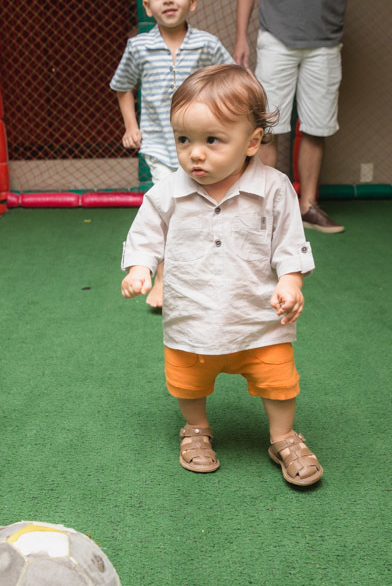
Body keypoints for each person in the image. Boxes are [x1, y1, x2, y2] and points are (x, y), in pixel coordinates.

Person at [121, 65, 322, 487]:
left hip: (258, 318)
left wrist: (291, 281)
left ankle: (283, 436)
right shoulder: (166, 193)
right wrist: (141, 267)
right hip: (192, 316)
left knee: (279, 381)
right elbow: (145, 234)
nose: (195, 153)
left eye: (212, 140)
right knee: (187, 380)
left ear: (252, 142)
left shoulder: (274, 187)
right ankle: (195, 428)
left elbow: (290, 241)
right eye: (184, 140)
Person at [111, 0, 233, 308]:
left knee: (204, 209)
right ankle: (161, 277)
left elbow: (229, 81)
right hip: (161, 147)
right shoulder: (139, 46)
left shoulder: (207, 44)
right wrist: (131, 127)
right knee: (168, 209)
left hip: (201, 148)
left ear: (192, 1)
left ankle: (210, 276)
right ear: (147, 5)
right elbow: (123, 86)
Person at [234, 0, 370, 234]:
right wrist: (240, 37)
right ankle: (263, 211)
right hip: (276, 38)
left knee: (317, 127)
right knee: (269, 128)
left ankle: (308, 207)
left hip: (325, 43)